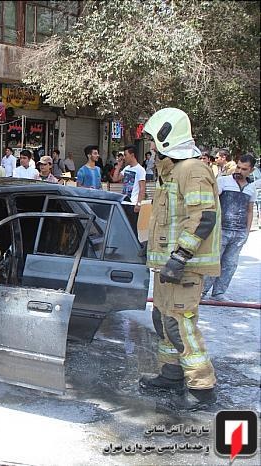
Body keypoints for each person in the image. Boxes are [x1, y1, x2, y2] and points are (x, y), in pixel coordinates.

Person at [139, 108, 220, 410]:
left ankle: (202, 388)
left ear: (167, 138)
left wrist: (180, 257)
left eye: (152, 139)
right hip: (167, 267)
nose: (150, 146)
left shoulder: (192, 170)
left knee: (180, 325)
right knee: (162, 320)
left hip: (183, 267)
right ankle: (171, 375)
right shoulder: (170, 172)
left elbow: (203, 218)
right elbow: (168, 221)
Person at [202, 154, 257, 301]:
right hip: (221, 230)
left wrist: (246, 231)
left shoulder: (251, 188)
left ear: (251, 170)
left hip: (239, 233)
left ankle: (219, 292)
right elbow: (212, 202)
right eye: (238, 167)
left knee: (230, 264)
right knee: (214, 261)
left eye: (244, 169)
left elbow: (250, 210)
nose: (239, 171)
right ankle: (202, 291)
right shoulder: (223, 181)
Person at [111, 145, 146, 235]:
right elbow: (115, 179)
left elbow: (142, 188)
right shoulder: (127, 168)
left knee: (132, 228)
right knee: (123, 228)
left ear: (132, 155)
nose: (124, 157)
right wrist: (119, 166)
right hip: (124, 202)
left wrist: (138, 203)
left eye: (126, 155)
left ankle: (135, 243)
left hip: (132, 204)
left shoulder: (140, 170)